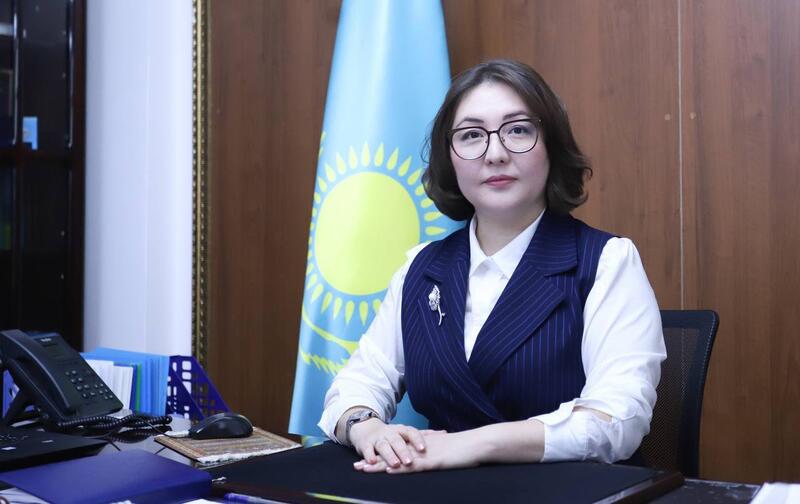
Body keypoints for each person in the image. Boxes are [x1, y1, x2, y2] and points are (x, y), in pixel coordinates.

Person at [318, 59, 666, 474]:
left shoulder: (607, 261)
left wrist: (472, 444)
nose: (495, 154)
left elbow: (618, 420)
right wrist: (367, 428)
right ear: (450, 158)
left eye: (518, 130)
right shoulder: (421, 269)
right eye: (471, 135)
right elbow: (357, 384)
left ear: (551, 146)